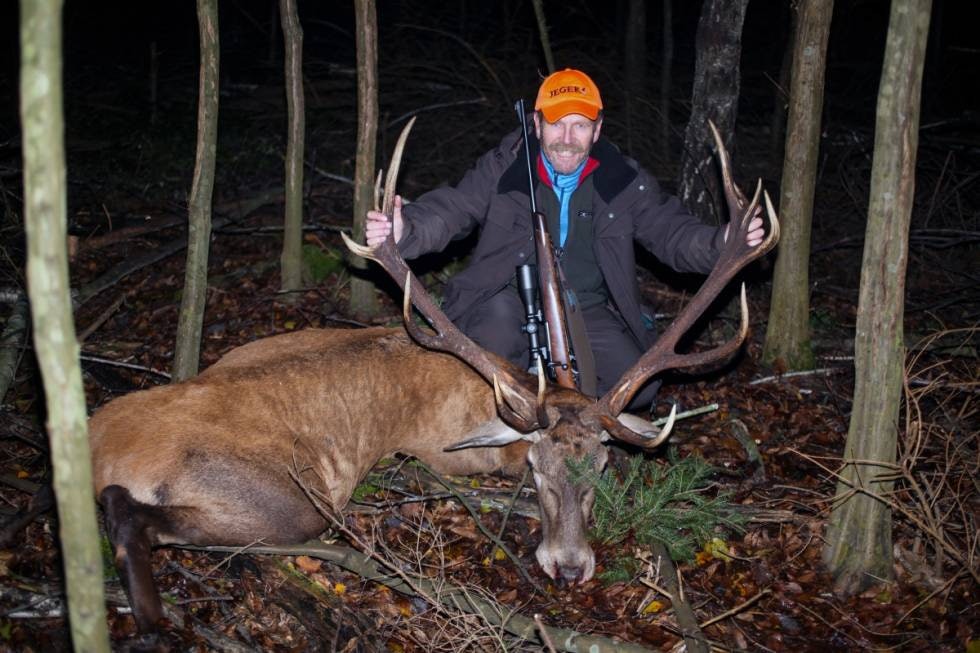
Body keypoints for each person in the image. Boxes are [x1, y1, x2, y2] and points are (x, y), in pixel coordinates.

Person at [366, 68, 763, 410]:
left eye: (580, 125)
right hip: (504, 298)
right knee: (492, 346)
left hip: (584, 306)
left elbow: (671, 233)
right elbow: (453, 208)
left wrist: (724, 240)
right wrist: (406, 231)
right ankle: (506, 424)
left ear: (598, 129)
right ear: (537, 125)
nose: (567, 137)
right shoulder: (504, 169)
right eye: (556, 123)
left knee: (639, 389)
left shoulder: (622, 181)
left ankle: (562, 419)